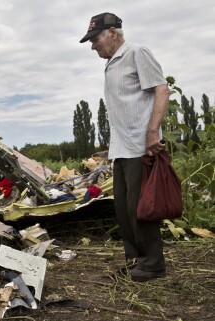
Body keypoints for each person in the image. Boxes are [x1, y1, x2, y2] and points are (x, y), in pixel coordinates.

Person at [79, 13, 170, 281]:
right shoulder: (111, 63)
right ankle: (135, 260)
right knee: (124, 207)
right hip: (122, 148)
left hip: (141, 147)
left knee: (140, 207)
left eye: (95, 38)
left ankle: (153, 264)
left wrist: (153, 132)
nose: (92, 45)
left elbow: (161, 90)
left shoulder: (137, 53)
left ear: (113, 33)